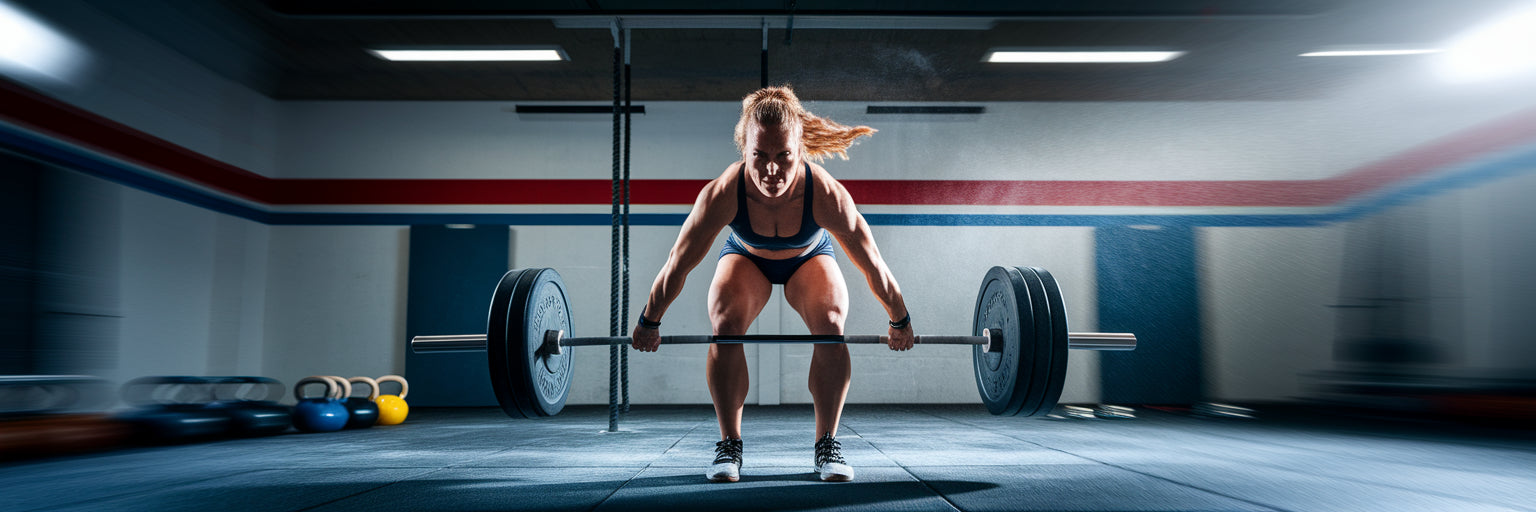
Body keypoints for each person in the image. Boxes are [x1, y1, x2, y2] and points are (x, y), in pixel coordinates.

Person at [631, 86, 914, 483]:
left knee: (831, 325)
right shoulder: (723, 193)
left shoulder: (826, 194)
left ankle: (827, 444)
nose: (771, 170)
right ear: (744, 150)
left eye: (784, 156)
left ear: (801, 149)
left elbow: (873, 265)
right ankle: (729, 445)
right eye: (759, 156)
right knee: (725, 325)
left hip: (809, 257)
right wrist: (650, 320)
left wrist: (899, 319)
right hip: (747, 258)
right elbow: (678, 264)